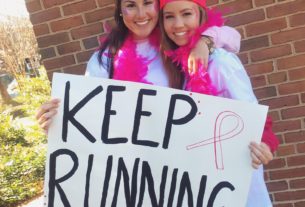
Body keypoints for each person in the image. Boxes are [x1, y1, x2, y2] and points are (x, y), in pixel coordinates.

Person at [37, 0, 241, 131]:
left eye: (147, 3)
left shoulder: (177, 38)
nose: (141, 14)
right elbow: (91, 117)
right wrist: (58, 122)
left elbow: (233, 38)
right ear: (120, 11)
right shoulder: (105, 59)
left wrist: (204, 41)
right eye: (131, 5)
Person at [158, 0, 278, 206]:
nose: (178, 24)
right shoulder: (178, 65)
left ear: (200, 15)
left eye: (186, 14)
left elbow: (252, 113)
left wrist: (266, 143)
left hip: (237, 181)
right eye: (169, 16)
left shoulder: (221, 63)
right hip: (205, 181)